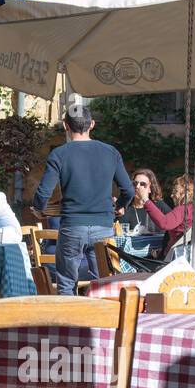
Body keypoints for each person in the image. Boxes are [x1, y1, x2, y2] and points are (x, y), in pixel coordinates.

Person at [32, 104, 134, 294]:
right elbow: (128, 190)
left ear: (65, 126)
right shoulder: (110, 152)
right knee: (103, 286)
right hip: (103, 227)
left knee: (66, 285)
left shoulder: (59, 154)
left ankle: (71, 323)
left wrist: (39, 209)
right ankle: (100, 323)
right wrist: (120, 206)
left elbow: (43, 193)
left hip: (72, 227)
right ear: (92, 124)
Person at [139, 174, 195, 261]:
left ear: (186, 193)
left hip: (177, 261)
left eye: (175, 191)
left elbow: (164, 223)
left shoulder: (184, 210)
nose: (172, 195)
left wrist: (146, 200)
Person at [117, 168, 170, 235]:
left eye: (142, 184)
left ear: (150, 189)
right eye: (135, 183)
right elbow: (119, 233)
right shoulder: (126, 208)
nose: (137, 186)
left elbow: (173, 224)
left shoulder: (159, 205)